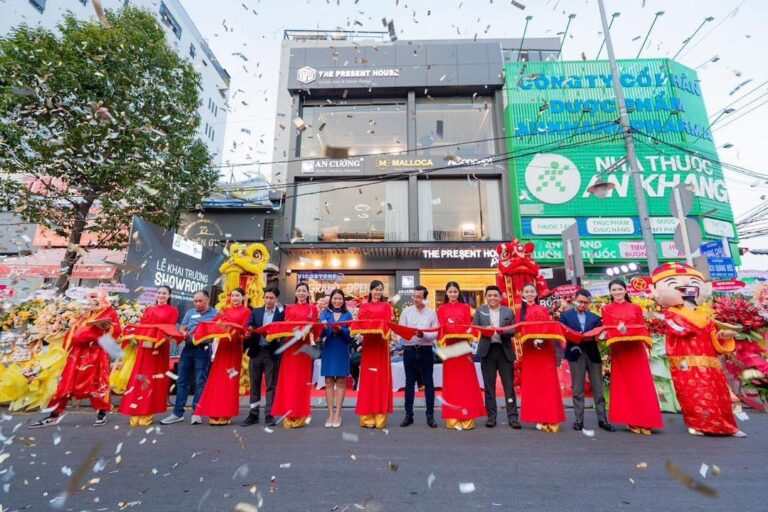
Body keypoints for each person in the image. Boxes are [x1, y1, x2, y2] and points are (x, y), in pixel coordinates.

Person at [651, 262, 745, 437]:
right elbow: (681, 329)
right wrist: (695, 316)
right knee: (695, 394)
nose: (687, 287)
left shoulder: (705, 314)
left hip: (710, 361)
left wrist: (723, 335)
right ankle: (698, 424)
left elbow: (712, 335)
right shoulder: (671, 313)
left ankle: (728, 426)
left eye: (693, 283)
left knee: (719, 394)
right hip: (686, 361)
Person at [29, 289, 122, 428]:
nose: (91, 299)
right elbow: (74, 330)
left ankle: (102, 412)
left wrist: (106, 329)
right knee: (66, 382)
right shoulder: (85, 313)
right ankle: (54, 414)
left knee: (97, 382)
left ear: (103, 298)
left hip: (96, 353)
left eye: (94, 296)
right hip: (77, 354)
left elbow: (116, 332)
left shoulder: (109, 313)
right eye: (89, 297)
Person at [601, 279, 663, 435]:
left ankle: (647, 420)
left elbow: (642, 327)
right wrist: (614, 332)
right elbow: (607, 329)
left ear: (625, 290)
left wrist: (646, 346)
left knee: (642, 384)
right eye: (614, 290)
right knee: (625, 385)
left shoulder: (635, 308)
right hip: (620, 351)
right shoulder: (606, 309)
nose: (617, 292)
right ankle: (631, 421)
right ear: (610, 292)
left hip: (636, 349)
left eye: (619, 289)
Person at [118, 286, 180, 427]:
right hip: (144, 348)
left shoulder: (173, 310)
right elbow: (142, 325)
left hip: (159, 348)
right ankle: (136, 409)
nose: (161, 295)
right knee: (140, 377)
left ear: (169, 295)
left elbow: (169, 329)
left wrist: (155, 336)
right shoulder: (149, 309)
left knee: (153, 378)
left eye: (164, 293)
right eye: (159, 293)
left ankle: (148, 411)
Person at [193, 288, 251, 425]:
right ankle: (214, 411)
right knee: (218, 379)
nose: (235, 298)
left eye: (238, 296)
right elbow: (214, 323)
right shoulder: (225, 311)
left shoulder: (246, 311)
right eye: (233, 295)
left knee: (229, 380)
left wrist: (235, 330)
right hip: (223, 347)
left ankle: (225, 413)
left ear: (243, 297)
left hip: (234, 347)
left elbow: (244, 329)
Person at [559, 289, 614, 432]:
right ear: (574, 300)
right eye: (580, 301)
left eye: (585, 302)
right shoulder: (565, 316)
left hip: (592, 353)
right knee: (577, 389)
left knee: (598, 388)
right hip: (575, 353)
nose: (582, 305)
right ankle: (579, 420)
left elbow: (599, 335)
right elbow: (562, 333)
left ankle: (603, 420)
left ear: (589, 303)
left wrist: (599, 336)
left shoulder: (595, 318)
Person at [161, 290, 218, 425]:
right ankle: (177, 413)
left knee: (200, 382)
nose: (197, 304)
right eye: (195, 301)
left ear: (208, 300)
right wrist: (183, 332)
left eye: (200, 301)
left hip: (203, 350)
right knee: (182, 381)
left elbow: (216, 331)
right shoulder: (190, 312)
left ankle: (196, 413)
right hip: (187, 349)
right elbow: (182, 327)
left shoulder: (215, 314)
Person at [517, 283, 566, 432]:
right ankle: (538, 417)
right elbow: (518, 330)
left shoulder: (543, 309)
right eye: (527, 292)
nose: (530, 294)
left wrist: (541, 338)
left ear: (536, 294)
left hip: (544, 350)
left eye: (532, 291)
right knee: (534, 385)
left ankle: (551, 417)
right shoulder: (519, 311)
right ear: (522, 294)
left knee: (548, 383)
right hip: (530, 351)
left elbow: (548, 327)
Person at [437, 281, 485, 430]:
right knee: (451, 382)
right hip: (450, 349)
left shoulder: (465, 307)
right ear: (446, 293)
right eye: (450, 292)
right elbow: (441, 329)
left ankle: (467, 417)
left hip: (464, 349)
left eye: (455, 292)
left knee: (466, 382)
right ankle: (453, 419)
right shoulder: (441, 309)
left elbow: (468, 326)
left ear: (459, 293)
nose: (452, 294)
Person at [271, 282, 318, 428]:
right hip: (290, 349)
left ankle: (299, 415)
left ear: (308, 293)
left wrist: (305, 332)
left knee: (301, 382)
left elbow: (315, 330)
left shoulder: (313, 309)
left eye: (304, 291)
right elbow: (281, 326)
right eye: (299, 291)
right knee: (288, 381)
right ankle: (287, 414)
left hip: (304, 349)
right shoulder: (288, 308)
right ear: (296, 293)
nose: (301, 293)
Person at [475, 285, 520, 429]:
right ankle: (491, 417)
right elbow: (474, 328)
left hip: (504, 350)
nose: (492, 298)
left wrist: (502, 331)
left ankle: (513, 418)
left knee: (509, 387)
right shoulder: (480, 311)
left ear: (500, 297)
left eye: (495, 295)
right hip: (487, 351)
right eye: (489, 295)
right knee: (489, 387)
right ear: (486, 297)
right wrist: (484, 330)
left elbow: (513, 330)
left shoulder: (508, 311)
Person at [354, 280, 394, 429]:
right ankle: (366, 417)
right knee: (368, 379)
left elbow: (388, 325)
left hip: (382, 345)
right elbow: (360, 325)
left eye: (380, 290)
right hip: (369, 345)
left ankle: (380, 415)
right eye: (375, 289)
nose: (377, 292)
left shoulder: (387, 307)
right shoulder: (363, 306)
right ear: (370, 291)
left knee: (381, 379)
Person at [242, 287, 284, 427]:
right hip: (256, 351)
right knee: (255, 385)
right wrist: (249, 328)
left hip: (271, 353)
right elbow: (250, 324)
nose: (268, 300)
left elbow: (283, 332)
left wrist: (275, 336)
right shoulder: (256, 311)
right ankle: (253, 414)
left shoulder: (281, 314)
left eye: (271, 298)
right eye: (266, 297)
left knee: (271, 385)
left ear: (276, 299)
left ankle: (269, 414)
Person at [398, 286, 439, 428]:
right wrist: (408, 334)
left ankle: (430, 416)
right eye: (414, 296)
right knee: (409, 383)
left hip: (426, 350)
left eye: (419, 297)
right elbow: (400, 332)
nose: (416, 299)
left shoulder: (432, 313)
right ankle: (408, 415)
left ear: (425, 298)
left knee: (429, 383)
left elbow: (436, 333)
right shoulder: (406, 312)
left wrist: (424, 335)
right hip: (409, 349)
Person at [319, 289, 353, 428]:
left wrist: (341, 330)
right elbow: (321, 334)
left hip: (342, 349)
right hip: (329, 348)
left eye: (340, 299)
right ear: (331, 300)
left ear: (343, 300)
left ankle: (338, 414)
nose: (337, 301)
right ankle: (330, 414)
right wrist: (325, 327)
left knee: (340, 380)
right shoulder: (325, 313)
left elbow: (350, 336)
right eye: (335, 298)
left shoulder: (348, 314)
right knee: (328, 381)